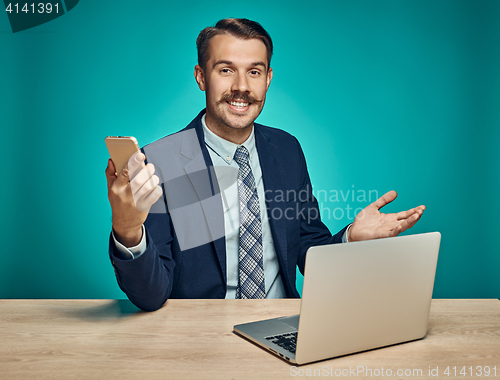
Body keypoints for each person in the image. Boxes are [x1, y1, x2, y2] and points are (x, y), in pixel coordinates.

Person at [105, 18, 425, 311]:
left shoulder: (286, 149)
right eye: (226, 70)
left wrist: (349, 239)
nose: (242, 86)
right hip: (202, 337)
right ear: (201, 76)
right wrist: (128, 229)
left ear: (268, 78)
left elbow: (307, 247)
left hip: (282, 324)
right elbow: (150, 295)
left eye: (254, 72)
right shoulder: (162, 161)